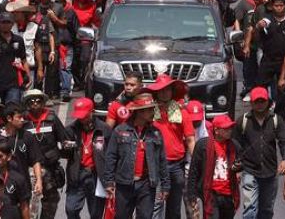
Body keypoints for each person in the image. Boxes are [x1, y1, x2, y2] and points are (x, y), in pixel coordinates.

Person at [103, 92, 170, 219]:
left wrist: (165, 186)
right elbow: (111, 157)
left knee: (145, 216)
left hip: (146, 184)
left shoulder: (156, 133)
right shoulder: (120, 130)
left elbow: (162, 160)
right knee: (122, 216)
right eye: (150, 110)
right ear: (140, 112)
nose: (153, 112)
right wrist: (109, 182)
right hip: (124, 183)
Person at [234, 86, 285, 219]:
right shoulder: (243, 121)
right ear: (251, 103)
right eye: (256, 102)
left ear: (267, 102)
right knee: (250, 209)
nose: (259, 105)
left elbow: (284, 141)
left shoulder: (276, 120)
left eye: (262, 101)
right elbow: (235, 145)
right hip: (250, 171)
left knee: (266, 210)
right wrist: (237, 169)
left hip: (270, 173)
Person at [147, 74, 195, 219]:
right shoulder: (148, 113)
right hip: (155, 164)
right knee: (156, 206)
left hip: (177, 165)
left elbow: (190, 140)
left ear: (172, 91)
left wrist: (197, 163)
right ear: (156, 92)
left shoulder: (182, 113)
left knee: (174, 208)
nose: (164, 92)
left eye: (167, 89)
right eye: (161, 90)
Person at [21, 89, 69, 219]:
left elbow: (64, 139)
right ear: (27, 104)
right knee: (30, 205)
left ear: (43, 103)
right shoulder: (23, 120)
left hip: (50, 169)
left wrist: (66, 147)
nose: (35, 104)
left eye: (38, 101)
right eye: (31, 101)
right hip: (29, 169)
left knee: (51, 201)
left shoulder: (52, 118)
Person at [186, 115, 241, 219]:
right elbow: (193, 172)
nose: (230, 131)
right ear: (216, 130)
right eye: (226, 128)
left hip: (229, 195)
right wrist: (192, 197)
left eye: (230, 128)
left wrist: (238, 167)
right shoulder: (203, 145)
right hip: (211, 195)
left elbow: (243, 162)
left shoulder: (234, 145)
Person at [64, 98, 111, 219]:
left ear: (92, 111)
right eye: (79, 116)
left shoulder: (104, 129)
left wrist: (110, 179)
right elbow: (63, 153)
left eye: (84, 116)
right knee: (71, 209)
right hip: (77, 174)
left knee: (96, 213)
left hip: (96, 175)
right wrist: (64, 148)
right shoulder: (71, 130)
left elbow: (112, 155)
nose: (82, 119)